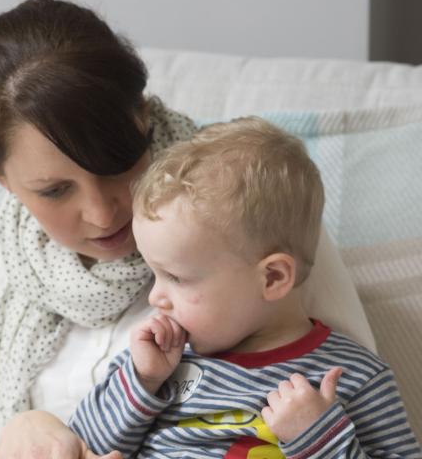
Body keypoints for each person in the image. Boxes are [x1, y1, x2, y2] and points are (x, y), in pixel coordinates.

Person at [0, 0, 376, 459]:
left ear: (143, 116)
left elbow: (352, 392)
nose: (102, 213)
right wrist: (19, 431)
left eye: (117, 164)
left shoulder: (256, 216)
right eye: (55, 190)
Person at [68, 117, 422, 458]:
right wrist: (142, 381)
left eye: (176, 278)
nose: (155, 297)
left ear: (272, 278)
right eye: (155, 275)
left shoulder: (353, 376)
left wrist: (320, 439)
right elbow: (83, 444)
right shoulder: (159, 362)